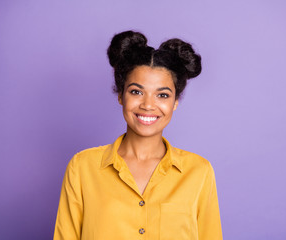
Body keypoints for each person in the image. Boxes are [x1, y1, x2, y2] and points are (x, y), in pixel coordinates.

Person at [53, 30, 223, 240]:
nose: (148, 105)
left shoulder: (199, 172)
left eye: (162, 95)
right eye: (136, 91)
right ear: (120, 96)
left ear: (175, 102)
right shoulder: (82, 167)